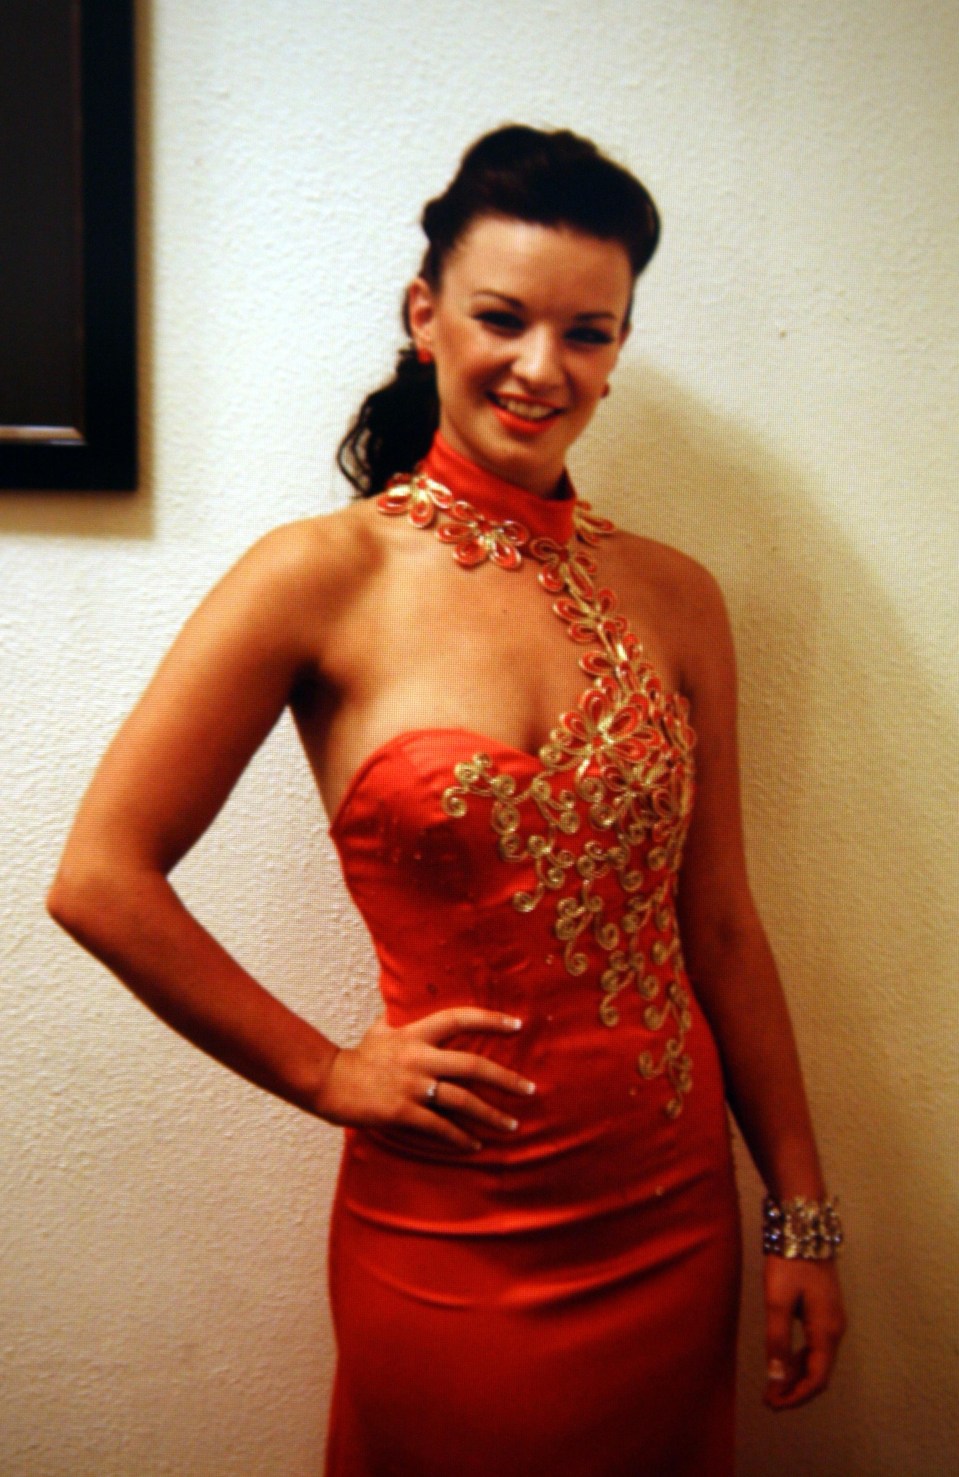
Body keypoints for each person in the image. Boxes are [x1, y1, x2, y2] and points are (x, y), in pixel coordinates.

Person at [48, 125, 846, 1476]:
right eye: (503, 318)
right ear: (427, 317)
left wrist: (802, 1212)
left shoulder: (679, 594)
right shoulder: (318, 577)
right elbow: (101, 876)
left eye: (589, 333)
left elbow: (720, 926)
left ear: (617, 348)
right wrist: (327, 1069)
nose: (544, 367)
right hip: (452, 1228)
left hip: (673, 1216)